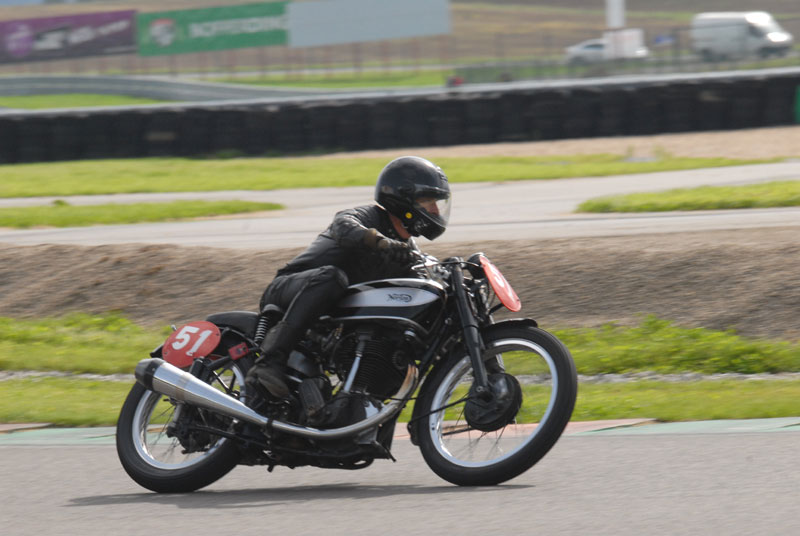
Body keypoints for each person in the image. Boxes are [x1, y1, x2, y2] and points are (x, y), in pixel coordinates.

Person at [246, 155, 452, 399]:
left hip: (329, 320)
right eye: (428, 202)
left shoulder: (408, 252)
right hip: (288, 290)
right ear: (405, 200)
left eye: (436, 203)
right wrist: (380, 242)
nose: (435, 210)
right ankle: (269, 363)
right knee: (333, 277)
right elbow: (344, 226)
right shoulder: (367, 217)